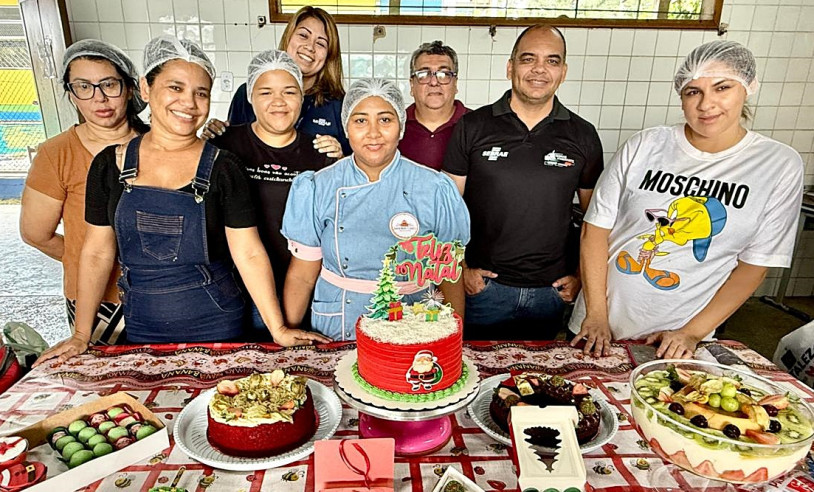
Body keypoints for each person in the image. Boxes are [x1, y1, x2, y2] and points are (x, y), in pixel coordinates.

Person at [35, 36, 328, 367]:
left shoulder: (223, 166)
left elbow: (247, 252)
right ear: (145, 88)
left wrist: (278, 328)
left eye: (200, 93)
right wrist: (80, 335)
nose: (188, 102)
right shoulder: (109, 165)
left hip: (219, 321)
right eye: (175, 87)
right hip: (142, 323)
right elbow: (96, 252)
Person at [569, 40, 804, 359]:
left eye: (722, 87)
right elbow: (594, 231)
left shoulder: (778, 164)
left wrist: (691, 332)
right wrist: (596, 314)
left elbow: (754, 266)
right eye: (694, 91)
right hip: (600, 323)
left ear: (747, 87)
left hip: (681, 336)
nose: (707, 104)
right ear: (681, 96)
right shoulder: (646, 144)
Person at [443, 24, 603, 340]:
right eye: (528, 59)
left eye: (552, 61)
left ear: (563, 71)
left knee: (537, 385)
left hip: (551, 293)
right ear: (510, 67)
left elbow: (595, 221)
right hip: (482, 289)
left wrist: (581, 277)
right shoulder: (472, 127)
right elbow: (447, 212)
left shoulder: (583, 135)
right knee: (472, 375)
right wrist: (460, 271)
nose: (539, 69)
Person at [281, 78, 471, 341]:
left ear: (401, 127)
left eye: (385, 120)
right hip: (339, 320)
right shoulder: (318, 186)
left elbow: (449, 273)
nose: (373, 133)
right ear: (346, 127)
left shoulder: (435, 188)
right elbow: (302, 274)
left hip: (412, 319)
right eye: (360, 120)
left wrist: (454, 335)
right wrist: (289, 335)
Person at [20, 39, 149, 345]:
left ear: (129, 88)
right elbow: (36, 233)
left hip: (159, 293)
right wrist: (87, 258)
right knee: (108, 385)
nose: (99, 98)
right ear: (71, 94)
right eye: (84, 87)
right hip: (97, 300)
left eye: (109, 84)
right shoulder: (57, 154)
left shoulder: (159, 144)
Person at [210, 50, 333, 337]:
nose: (278, 102)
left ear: (301, 98)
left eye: (289, 91)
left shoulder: (321, 152)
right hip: (234, 289)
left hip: (299, 288)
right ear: (250, 96)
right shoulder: (224, 144)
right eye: (266, 92)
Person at [203, 6, 349, 157]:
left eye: (321, 43)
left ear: (329, 55)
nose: (310, 47)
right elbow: (233, 149)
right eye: (303, 35)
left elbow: (356, 167)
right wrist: (218, 135)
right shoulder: (247, 93)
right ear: (288, 38)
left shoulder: (339, 106)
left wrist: (340, 159)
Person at [399, 41, 469, 170]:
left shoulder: (478, 125)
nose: (434, 82)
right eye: (424, 74)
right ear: (412, 85)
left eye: (444, 74)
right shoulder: (394, 126)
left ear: (455, 84)